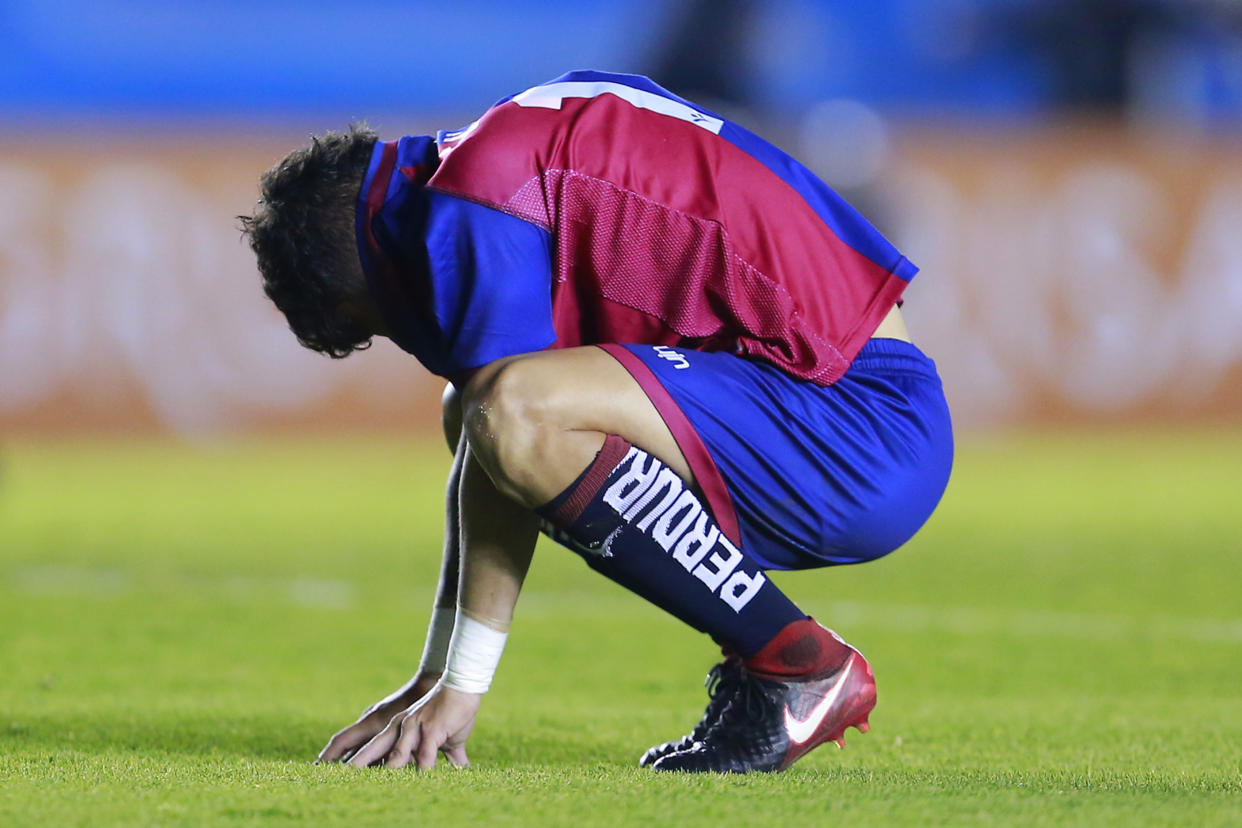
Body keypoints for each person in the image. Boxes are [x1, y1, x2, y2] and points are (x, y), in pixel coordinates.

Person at [239, 70, 953, 774]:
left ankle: (792, 663)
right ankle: (781, 663)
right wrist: (439, 677)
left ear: (366, 272)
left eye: (381, 326)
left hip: (857, 431)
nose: (412, 336)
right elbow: (486, 422)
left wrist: (460, 686)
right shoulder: (503, 149)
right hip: (852, 408)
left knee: (509, 408)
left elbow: (511, 424)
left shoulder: (474, 205)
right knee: (483, 406)